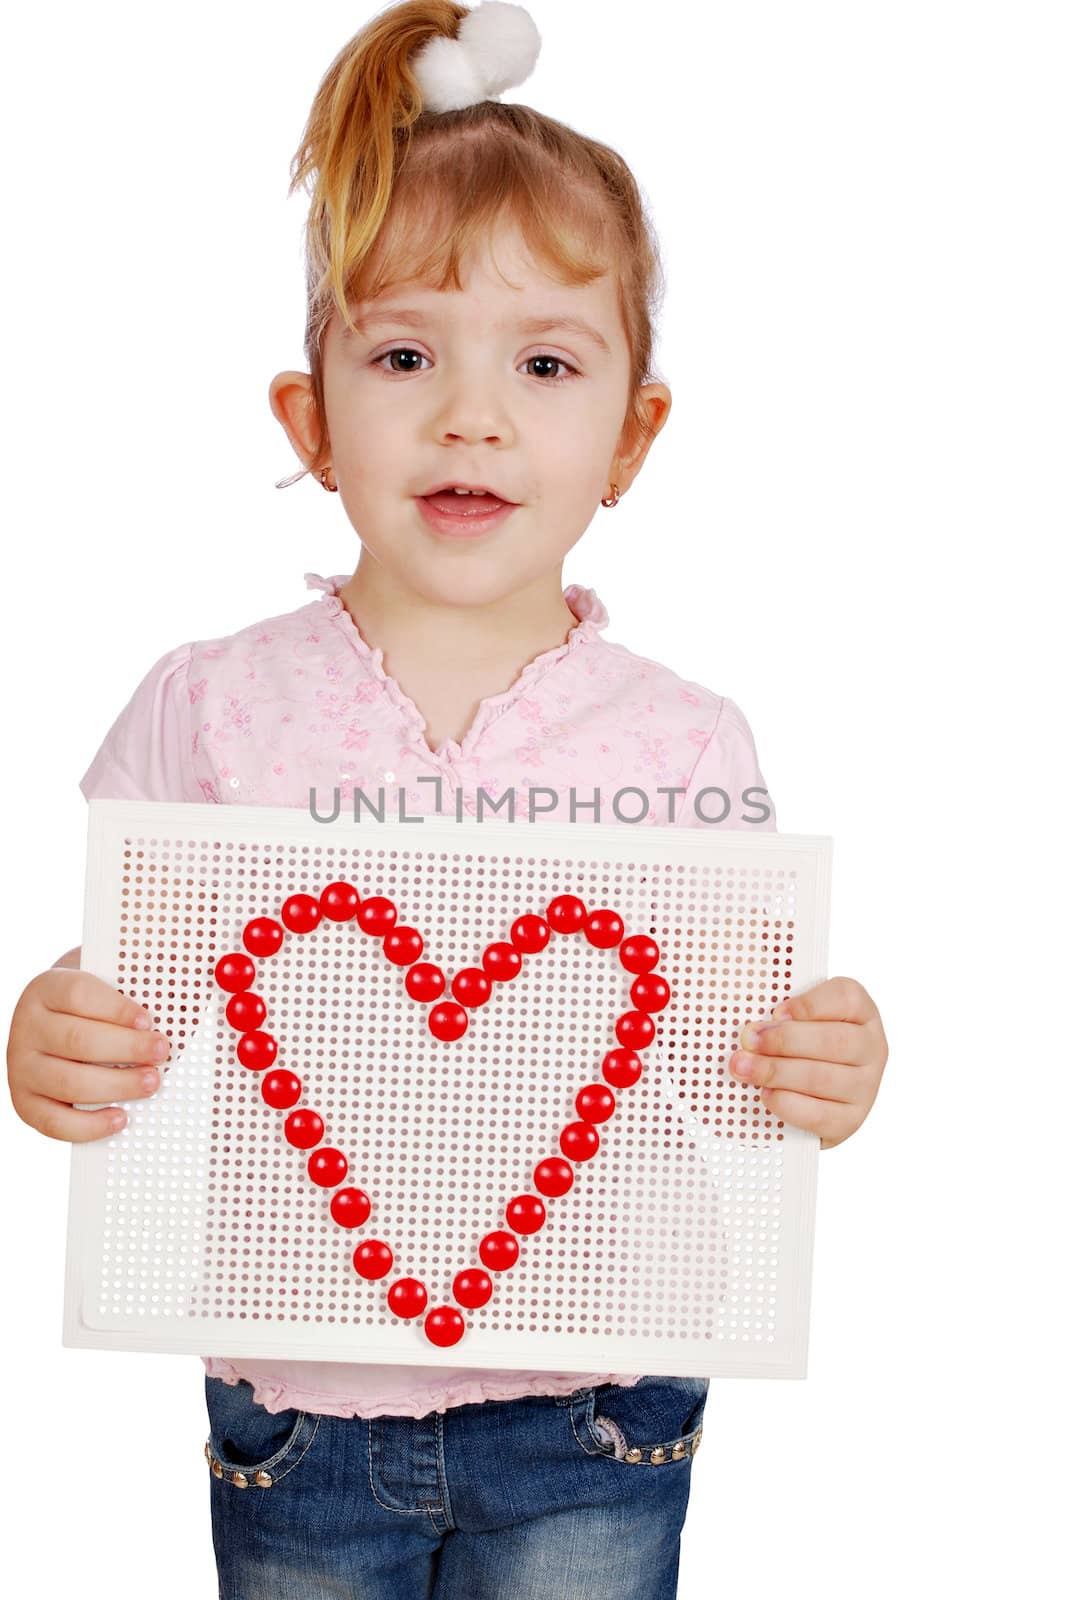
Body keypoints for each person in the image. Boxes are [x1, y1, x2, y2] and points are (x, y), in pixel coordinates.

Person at [5, 4, 889, 1595]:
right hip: (297, 1408)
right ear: (311, 417)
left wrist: (828, 1061)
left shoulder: (686, 745)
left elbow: (730, 1061)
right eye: (406, 355)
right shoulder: (208, 708)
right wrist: (53, 1041)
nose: (473, 413)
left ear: (629, 435)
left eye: (544, 362)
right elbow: (129, 1014)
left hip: (596, 1409)